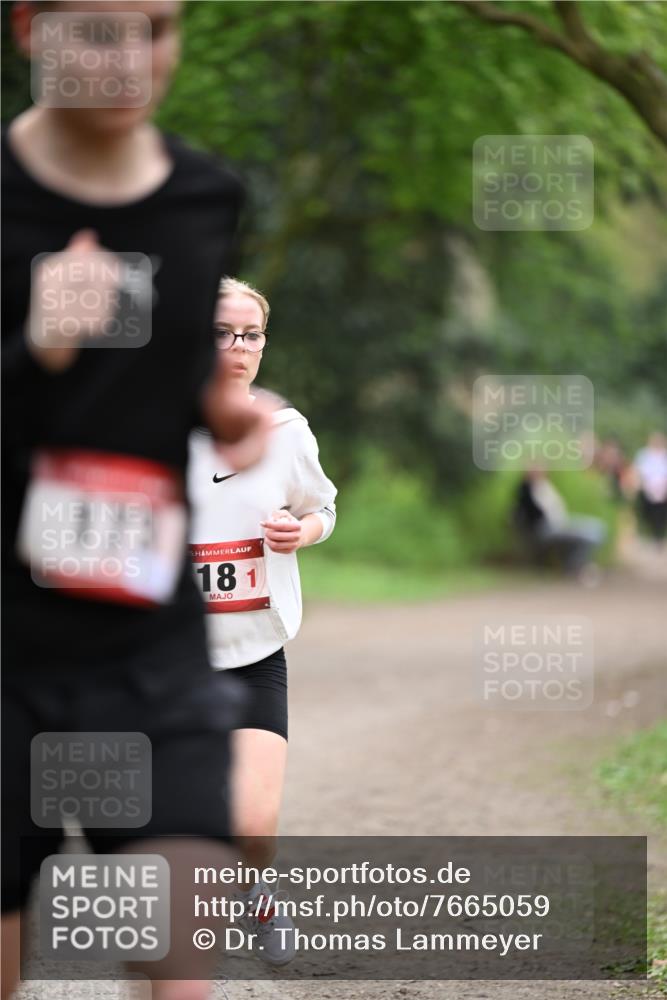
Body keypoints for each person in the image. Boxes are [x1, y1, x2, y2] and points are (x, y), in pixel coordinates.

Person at [2, 4, 271, 998]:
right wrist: (36, 347)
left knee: (182, 952)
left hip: (142, 632)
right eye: (101, 31)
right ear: (31, 27)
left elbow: (172, 383)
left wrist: (225, 409)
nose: (133, 60)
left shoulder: (204, 198)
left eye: (157, 28)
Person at [188, 278, 337, 966]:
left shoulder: (284, 431)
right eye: (221, 332)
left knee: (251, 823)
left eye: (250, 335)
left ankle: (258, 891)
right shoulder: (150, 427)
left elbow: (323, 508)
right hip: (168, 658)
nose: (237, 347)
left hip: (252, 652)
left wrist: (298, 532)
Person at [513, 468, 606, 581]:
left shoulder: (545, 486)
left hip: (559, 523)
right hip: (547, 528)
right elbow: (533, 515)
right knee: (588, 536)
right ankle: (576, 567)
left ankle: (577, 565)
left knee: (595, 527)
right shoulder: (526, 490)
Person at [632, 432, 667, 545]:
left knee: (660, 514)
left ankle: (658, 536)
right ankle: (645, 533)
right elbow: (638, 470)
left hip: (663, 489)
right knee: (645, 512)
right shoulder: (643, 454)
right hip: (645, 488)